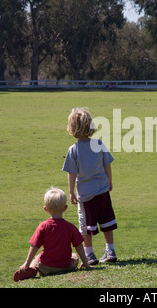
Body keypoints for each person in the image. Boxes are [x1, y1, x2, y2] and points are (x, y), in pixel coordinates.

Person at [63, 108, 117, 266]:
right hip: (102, 191)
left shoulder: (73, 150)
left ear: (72, 128)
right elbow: (107, 165)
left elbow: (71, 173)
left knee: (85, 226)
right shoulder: (99, 144)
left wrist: (71, 191)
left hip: (86, 196)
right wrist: (109, 180)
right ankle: (111, 250)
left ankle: (89, 254)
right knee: (107, 222)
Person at [13, 187, 92, 282]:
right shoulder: (70, 227)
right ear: (65, 208)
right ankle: (35, 267)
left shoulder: (43, 226)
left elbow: (34, 246)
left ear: (45, 209)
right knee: (74, 256)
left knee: (37, 257)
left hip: (46, 267)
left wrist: (26, 263)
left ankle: (32, 268)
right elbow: (78, 246)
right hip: (66, 266)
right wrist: (85, 263)